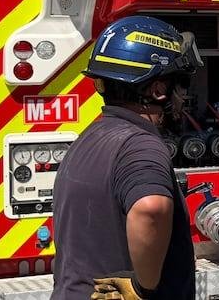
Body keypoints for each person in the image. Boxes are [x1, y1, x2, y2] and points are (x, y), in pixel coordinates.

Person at [52, 16, 203, 300]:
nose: (183, 98)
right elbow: (151, 209)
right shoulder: (141, 145)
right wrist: (141, 287)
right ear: (158, 90)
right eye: (180, 86)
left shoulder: (89, 138)